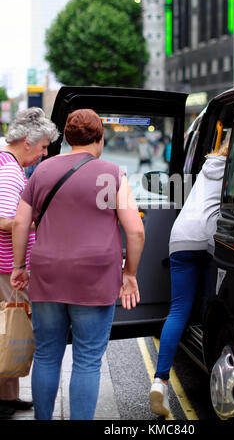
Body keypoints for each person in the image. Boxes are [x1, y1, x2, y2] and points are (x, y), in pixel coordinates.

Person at [10, 108, 145, 420]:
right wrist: (130, 273)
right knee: (86, 359)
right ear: (99, 138)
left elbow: (20, 223)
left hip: (46, 273)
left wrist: (19, 267)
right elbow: (136, 229)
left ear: (68, 137)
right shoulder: (111, 173)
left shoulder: (41, 171)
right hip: (95, 277)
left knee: (46, 354)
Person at [149, 140, 229, 417]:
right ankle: (214, 376)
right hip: (208, 237)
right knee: (212, 307)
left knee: (178, 310)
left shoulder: (209, 165)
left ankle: (159, 381)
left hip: (180, 235)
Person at [0, 107, 59, 419]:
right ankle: (5, 400)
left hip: (6, 265)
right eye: (43, 146)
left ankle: (8, 396)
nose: (44, 154)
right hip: (7, 267)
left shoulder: (5, 163)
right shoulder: (9, 171)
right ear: (27, 141)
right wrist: (38, 220)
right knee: (11, 330)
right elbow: (6, 221)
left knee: (8, 330)